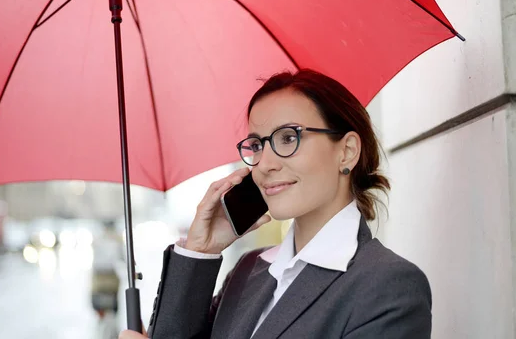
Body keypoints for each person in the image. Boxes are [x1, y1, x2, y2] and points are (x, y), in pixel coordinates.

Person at [120, 69, 432, 339]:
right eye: (256, 145)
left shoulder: (388, 286)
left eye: (287, 138)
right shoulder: (248, 271)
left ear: (347, 151)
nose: (265, 164)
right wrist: (201, 251)